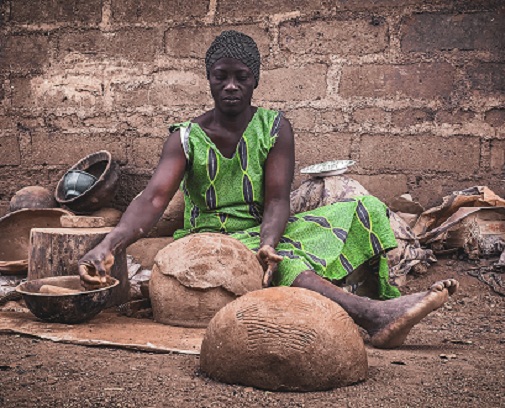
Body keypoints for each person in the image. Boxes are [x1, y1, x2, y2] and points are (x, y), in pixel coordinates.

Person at [79, 30, 458, 348]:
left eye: (241, 77)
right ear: (208, 78)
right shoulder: (185, 138)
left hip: (265, 230)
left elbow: (278, 199)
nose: (230, 86)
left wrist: (269, 244)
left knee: (365, 209)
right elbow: (154, 198)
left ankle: (367, 294)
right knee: (288, 265)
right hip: (212, 241)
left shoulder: (275, 128)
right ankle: (371, 316)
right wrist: (110, 244)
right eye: (220, 76)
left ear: (255, 79)